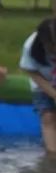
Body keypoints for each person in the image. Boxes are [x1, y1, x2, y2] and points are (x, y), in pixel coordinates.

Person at [19, 16, 56, 154]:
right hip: (42, 82)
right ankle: (52, 156)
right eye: (52, 46)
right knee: (48, 116)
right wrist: (53, 94)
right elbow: (32, 72)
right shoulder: (30, 47)